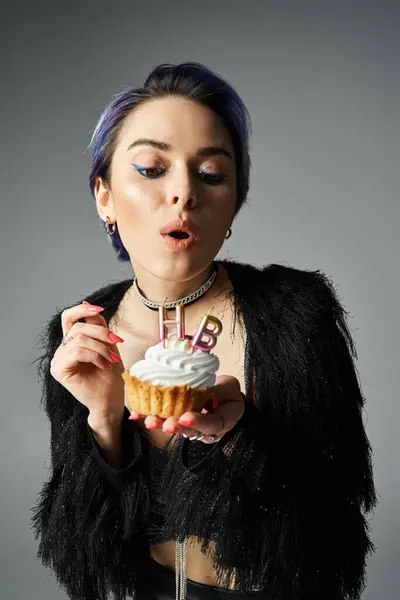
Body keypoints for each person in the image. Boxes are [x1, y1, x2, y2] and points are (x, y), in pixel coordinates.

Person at [31, 62, 377, 600]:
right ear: (104, 196)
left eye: (212, 174)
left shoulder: (293, 314)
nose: (184, 193)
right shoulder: (81, 334)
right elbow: (84, 550)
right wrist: (103, 420)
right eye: (150, 168)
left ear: (233, 202)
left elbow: (336, 532)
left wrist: (240, 440)